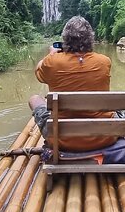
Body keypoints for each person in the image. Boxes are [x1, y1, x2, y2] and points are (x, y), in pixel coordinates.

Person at [29, 16, 117, 152]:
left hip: (61, 139)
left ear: (65, 39)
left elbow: (38, 74)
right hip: (104, 138)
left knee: (34, 99)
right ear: (90, 38)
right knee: (122, 104)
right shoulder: (104, 61)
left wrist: (51, 55)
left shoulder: (52, 62)